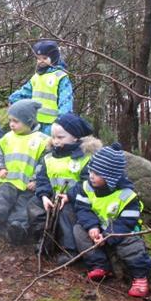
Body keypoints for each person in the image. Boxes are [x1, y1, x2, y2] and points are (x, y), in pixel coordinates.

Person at [67, 143, 151, 298]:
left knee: (132, 245)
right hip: (98, 228)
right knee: (78, 230)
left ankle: (140, 276)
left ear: (110, 177)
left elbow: (127, 222)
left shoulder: (127, 195)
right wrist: (92, 226)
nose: (91, 175)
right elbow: (83, 208)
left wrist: (108, 235)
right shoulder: (87, 187)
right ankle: (99, 265)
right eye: (91, 169)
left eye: (97, 173)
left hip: (121, 231)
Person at [26, 113, 102, 265]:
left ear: (75, 137)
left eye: (60, 137)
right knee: (33, 205)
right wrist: (43, 195)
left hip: (74, 199)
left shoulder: (85, 158)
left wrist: (69, 195)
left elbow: (87, 183)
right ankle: (44, 239)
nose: (55, 141)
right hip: (52, 197)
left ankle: (70, 249)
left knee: (66, 214)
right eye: (53, 137)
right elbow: (43, 178)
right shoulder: (49, 157)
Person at [0, 99, 50, 245]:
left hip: (30, 187)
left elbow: (46, 164)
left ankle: (17, 228)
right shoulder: (6, 138)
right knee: (2, 199)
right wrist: (0, 168)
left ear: (29, 121)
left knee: (23, 206)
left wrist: (36, 181)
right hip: (9, 181)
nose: (11, 124)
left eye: (16, 121)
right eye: (10, 120)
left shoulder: (43, 140)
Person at [8, 40, 73, 136]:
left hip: (52, 125)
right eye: (38, 58)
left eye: (44, 58)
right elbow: (25, 91)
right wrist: (13, 100)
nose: (40, 61)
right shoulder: (36, 76)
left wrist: (62, 121)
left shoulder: (61, 77)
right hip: (34, 123)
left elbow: (66, 100)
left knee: (49, 148)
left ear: (54, 57)